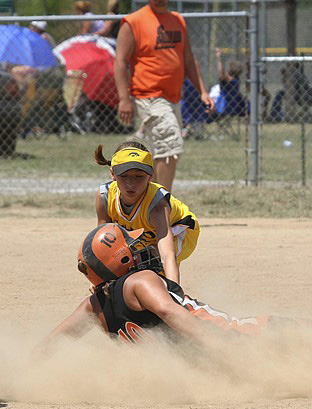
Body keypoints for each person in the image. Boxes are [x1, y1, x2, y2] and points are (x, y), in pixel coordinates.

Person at [47, 224, 312, 346]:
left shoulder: (96, 306)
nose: (140, 247)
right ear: (122, 261)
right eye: (132, 245)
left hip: (197, 369)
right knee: (307, 332)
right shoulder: (140, 280)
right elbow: (169, 312)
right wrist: (218, 346)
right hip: (233, 338)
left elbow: (52, 342)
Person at [114, 0, 214, 191]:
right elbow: (120, 61)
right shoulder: (133, 21)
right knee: (170, 145)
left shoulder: (178, 20)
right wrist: (124, 99)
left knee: (162, 151)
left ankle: (146, 202)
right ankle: (161, 206)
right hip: (149, 96)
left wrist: (202, 91)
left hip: (173, 98)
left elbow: (188, 60)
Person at [94, 141, 199, 285]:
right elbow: (103, 245)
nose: (131, 183)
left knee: (153, 272)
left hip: (180, 230)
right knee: (126, 265)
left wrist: (174, 290)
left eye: (139, 176)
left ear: (150, 176)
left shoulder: (157, 205)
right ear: (113, 173)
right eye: (124, 176)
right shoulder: (105, 197)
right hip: (145, 234)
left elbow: (168, 255)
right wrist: (98, 279)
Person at [214, 48, 246, 117]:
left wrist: (219, 58)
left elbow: (221, 74)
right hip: (235, 108)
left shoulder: (229, 81)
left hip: (222, 108)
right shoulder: (237, 80)